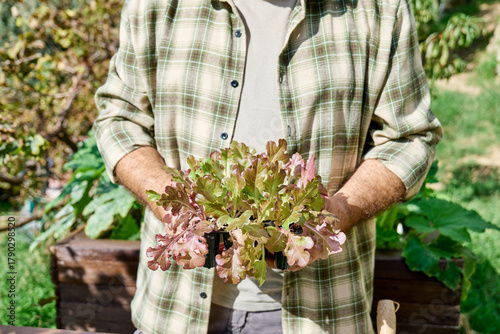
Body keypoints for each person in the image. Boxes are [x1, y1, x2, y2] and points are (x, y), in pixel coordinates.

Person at [93, 0, 443, 332]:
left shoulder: (377, 9)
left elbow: (409, 137)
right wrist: (175, 204)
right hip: (175, 310)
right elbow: (120, 119)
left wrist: (338, 212)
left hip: (321, 313)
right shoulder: (156, 6)